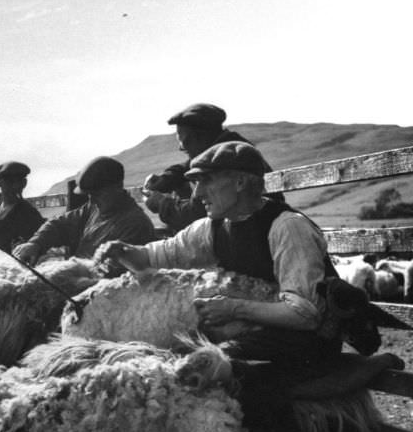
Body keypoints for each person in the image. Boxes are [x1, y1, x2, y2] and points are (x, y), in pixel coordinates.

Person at [100, 141, 340, 368]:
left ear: (239, 182)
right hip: (253, 331)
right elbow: (154, 257)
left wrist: (233, 308)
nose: (197, 194)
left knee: (209, 366)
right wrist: (124, 252)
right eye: (195, 184)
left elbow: (305, 314)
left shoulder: (287, 228)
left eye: (206, 181)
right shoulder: (212, 228)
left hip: (305, 339)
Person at [143, 103, 276, 233]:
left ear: (202, 137)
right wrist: (164, 179)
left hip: (258, 232)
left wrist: (161, 205)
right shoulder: (226, 149)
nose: (181, 147)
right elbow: (186, 166)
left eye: (186, 141)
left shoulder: (226, 162)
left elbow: (195, 215)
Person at [13, 156, 155, 266]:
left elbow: (110, 273)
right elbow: (59, 224)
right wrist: (35, 243)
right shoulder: (93, 208)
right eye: (89, 196)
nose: (92, 201)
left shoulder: (136, 226)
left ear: (117, 187)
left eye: (97, 195)